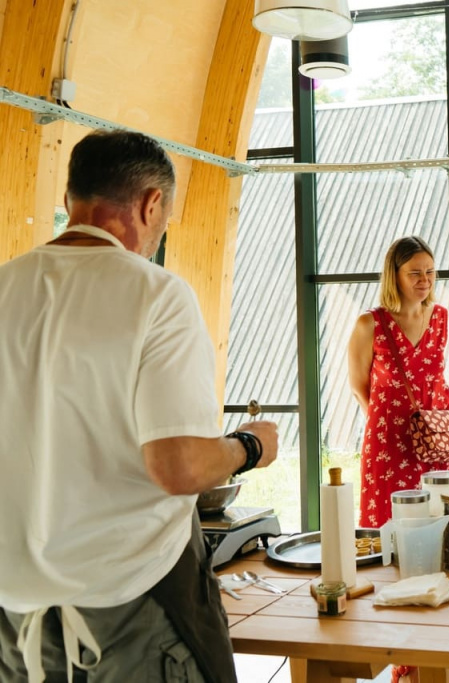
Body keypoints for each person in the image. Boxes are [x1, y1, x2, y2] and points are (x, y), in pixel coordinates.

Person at [0, 130, 279, 682]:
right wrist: (251, 446)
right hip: (131, 603)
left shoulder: (5, 287)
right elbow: (179, 467)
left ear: (69, 202)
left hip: (15, 618)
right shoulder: (156, 295)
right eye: (165, 219)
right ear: (152, 204)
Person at [348, 236, 449, 528]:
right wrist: (382, 425)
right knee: (388, 524)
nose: (425, 280)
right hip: (390, 438)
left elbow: (434, 378)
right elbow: (358, 385)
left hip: (437, 435)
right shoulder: (370, 323)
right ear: (394, 275)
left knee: (441, 519)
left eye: (430, 272)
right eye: (415, 272)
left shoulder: (441, 317)